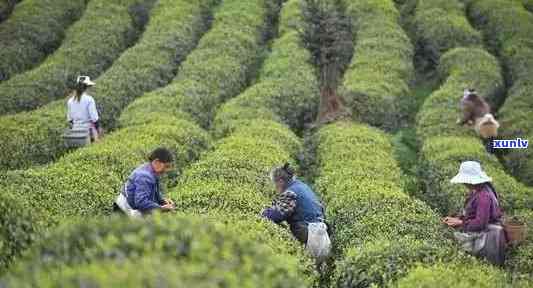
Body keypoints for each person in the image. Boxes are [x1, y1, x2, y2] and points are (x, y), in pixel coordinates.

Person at [262, 163, 331, 262]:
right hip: (321, 231)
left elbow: (279, 214)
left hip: (310, 233)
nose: (275, 187)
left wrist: (265, 213)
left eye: (274, 183)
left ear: (280, 181)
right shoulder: (302, 186)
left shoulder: (290, 192)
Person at [443, 161, 507, 266]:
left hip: (488, 238)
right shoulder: (478, 190)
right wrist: (458, 218)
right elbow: (474, 213)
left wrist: (460, 223)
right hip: (487, 234)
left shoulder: (483, 196)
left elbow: (480, 223)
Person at [114, 147, 176, 218]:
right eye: (166, 166)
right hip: (124, 211)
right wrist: (161, 208)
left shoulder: (150, 169)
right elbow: (141, 202)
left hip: (129, 209)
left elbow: (152, 191)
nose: (166, 170)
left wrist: (161, 200)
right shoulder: (145, 176)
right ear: (156, 162)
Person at [67, 75, 101, 142]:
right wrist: (98, 130)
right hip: (87, 132)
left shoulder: (70, 101)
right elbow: (95, 119)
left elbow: (70, 120)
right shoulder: (89, 99)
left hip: (75, 132)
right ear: (87, 87)